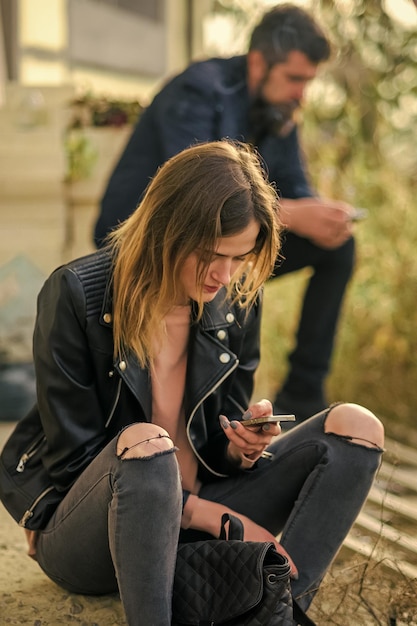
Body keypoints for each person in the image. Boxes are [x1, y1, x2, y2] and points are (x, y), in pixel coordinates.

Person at [0, 140, 384, 626]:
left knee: (356, 427)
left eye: (240, 258)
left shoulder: (236, 299)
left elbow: (213, 447)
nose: (225, 275)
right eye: (211, 255)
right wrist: (204, 514)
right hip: (98, 530)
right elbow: (75, 463)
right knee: (146, 446)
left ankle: (280, 612)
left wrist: (241, 448)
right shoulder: (78, 293)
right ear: (167, 230)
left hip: (200, 514)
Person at [94, 3, 359, 423]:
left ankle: (303, 395)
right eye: (294, 79)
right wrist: (290, 214)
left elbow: (293, 188)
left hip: (222, 240)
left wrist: (318, 217)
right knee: (226, 259)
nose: (301, 94)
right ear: (258, 62)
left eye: (308, 82)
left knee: (338, 249)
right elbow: (194, 195)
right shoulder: (198, 88)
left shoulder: (279, 110)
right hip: (154, 240)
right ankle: (210, 416)